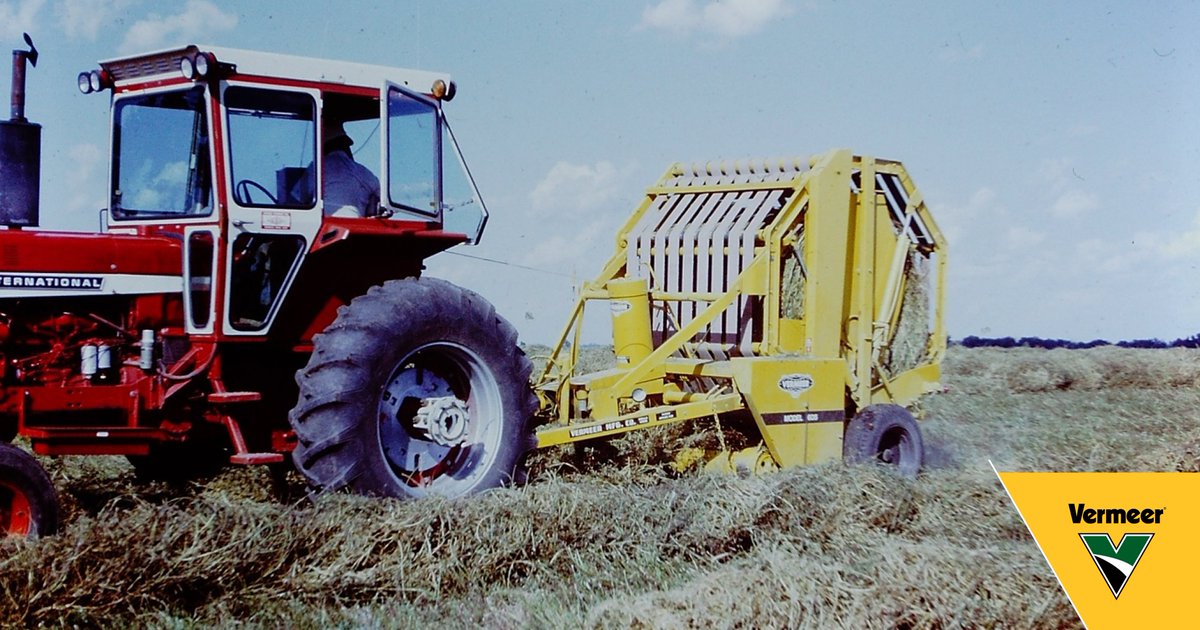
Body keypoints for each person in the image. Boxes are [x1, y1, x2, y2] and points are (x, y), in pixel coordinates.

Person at [321, 118, 380, 217]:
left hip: (321, 224)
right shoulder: (363, 172)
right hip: (355, 224)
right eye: (346, 146)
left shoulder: (315, 170)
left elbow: (298, 198)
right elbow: (380, 199)